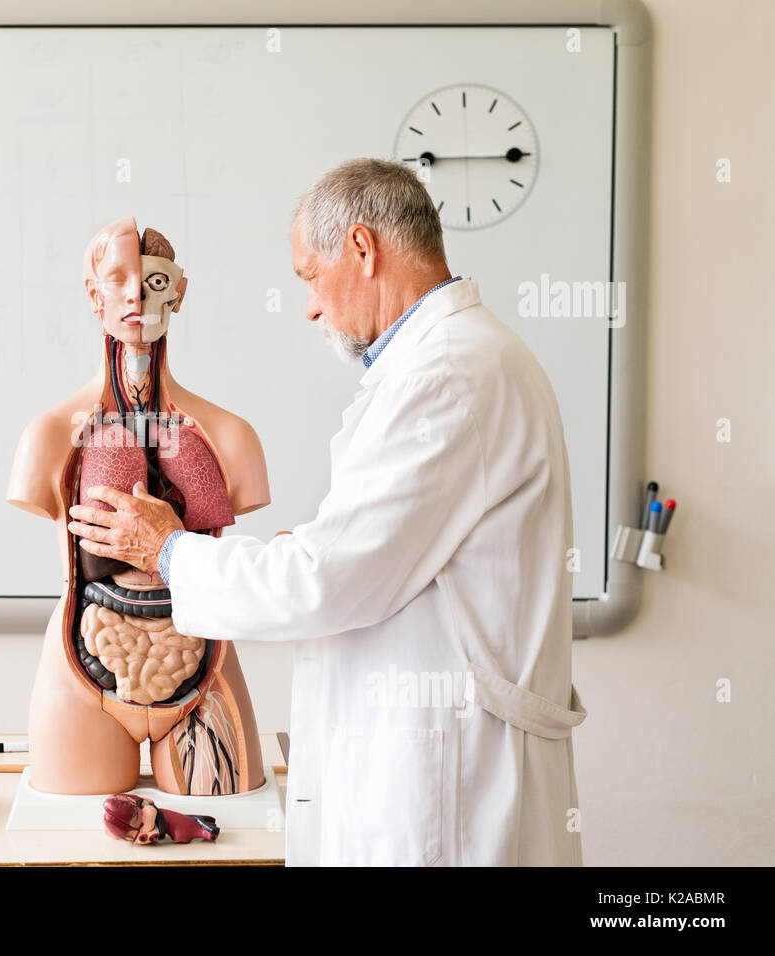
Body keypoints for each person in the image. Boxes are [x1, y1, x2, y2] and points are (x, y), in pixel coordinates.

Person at [67, 157, 586, 866]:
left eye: (310, 276)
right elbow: (384, 551)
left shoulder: (449, 374)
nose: (310, 305)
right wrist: (313, 550)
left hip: (445, 786)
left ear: (363, 250)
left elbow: (330, 579)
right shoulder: (452, 362)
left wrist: (169, 551)